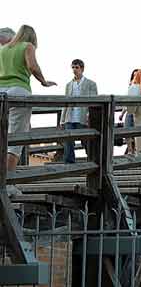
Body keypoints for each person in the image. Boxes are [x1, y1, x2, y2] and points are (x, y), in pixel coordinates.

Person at [0, 26, 57, 196]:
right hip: (18, 91)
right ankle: (8, 183)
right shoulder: (27, 46)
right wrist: (43, 82)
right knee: (16, 137)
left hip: (1, 91)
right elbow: (32, 66)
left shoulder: (3, 49)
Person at [61, 59, 97, 164]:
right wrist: (62, 120)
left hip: (83, 117)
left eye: (76, 67)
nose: (74, 70)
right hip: (69, 117)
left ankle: (92, 160)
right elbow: (65, 103)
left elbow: (93, 102)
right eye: (73, 67)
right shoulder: (68, 85)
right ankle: (69, 164)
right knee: (68, 141)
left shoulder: (91, 84)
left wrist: (89, 116)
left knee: (85, 141)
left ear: (82, 69)